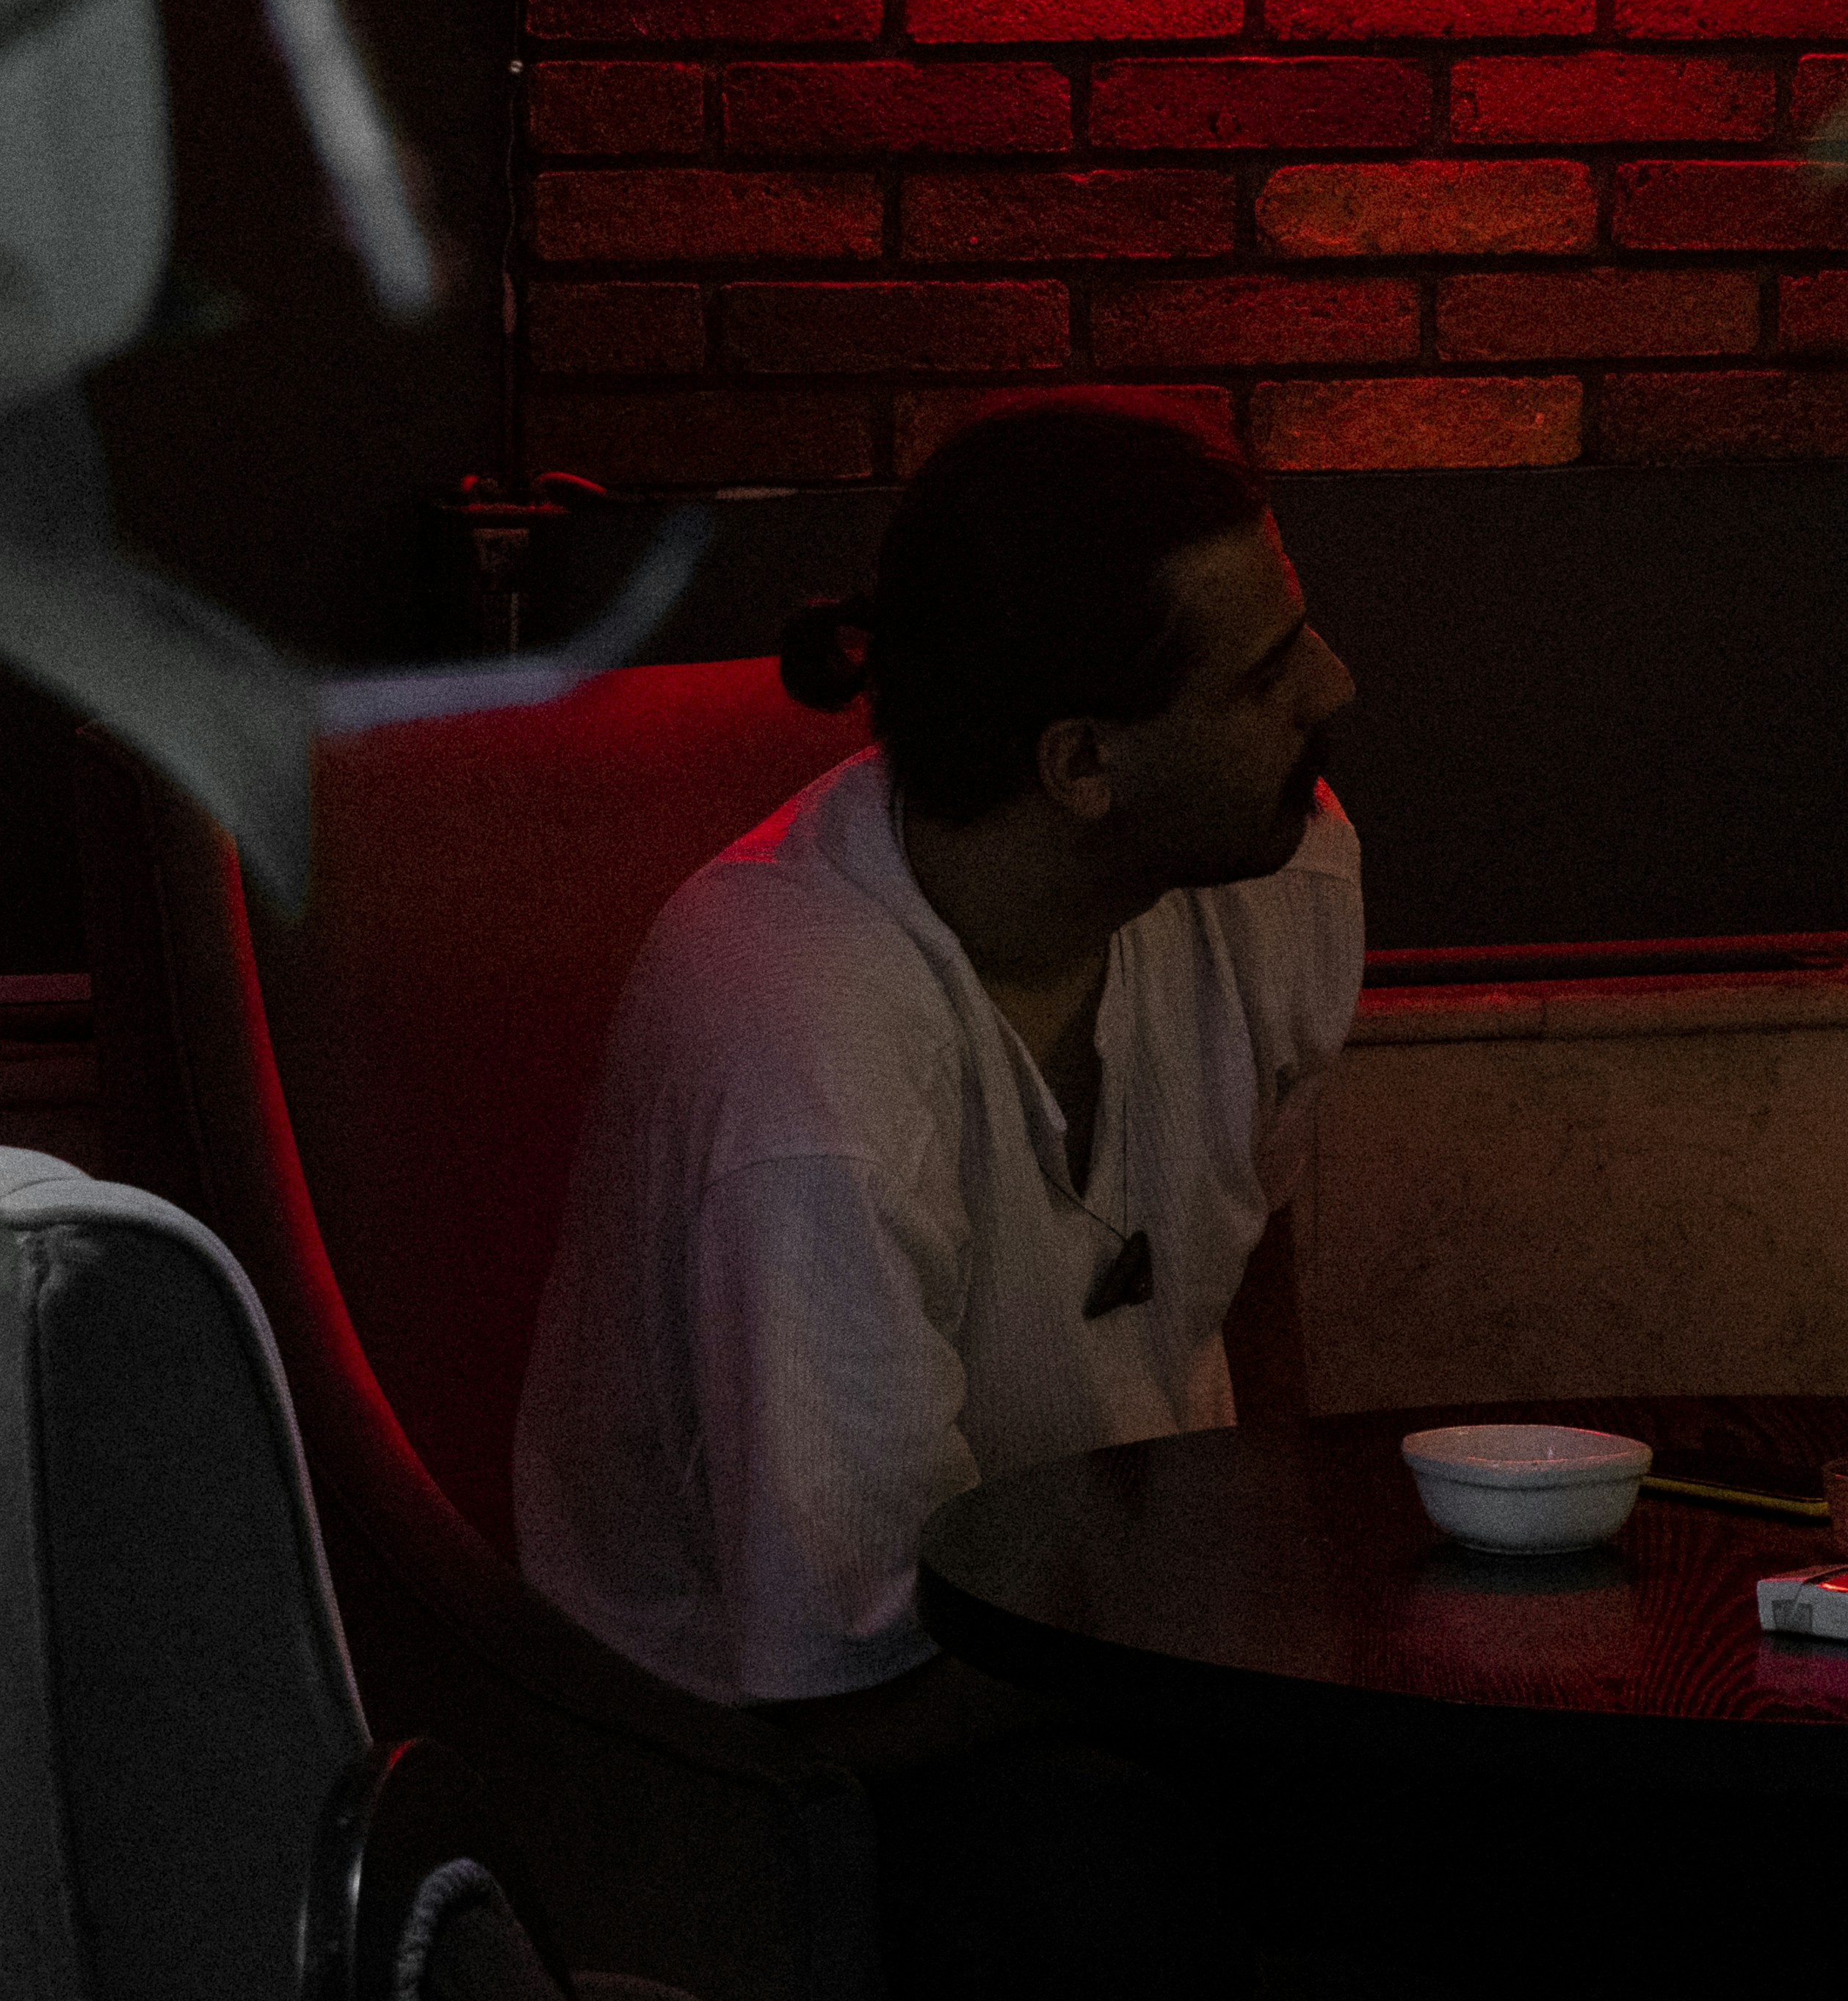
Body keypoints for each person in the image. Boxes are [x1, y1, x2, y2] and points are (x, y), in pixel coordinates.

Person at [513, 399, 1359, 1997]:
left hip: (1107, 1657)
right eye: (1264, 674)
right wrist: (1239, 1622)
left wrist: (1291, 1557)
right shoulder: (815, 1059)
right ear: (1084, 764)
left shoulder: (1280, 875)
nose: (1335, 691)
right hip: (763, 1764)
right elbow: (839, 1686)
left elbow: (1251, 1234)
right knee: (1117, 1880)